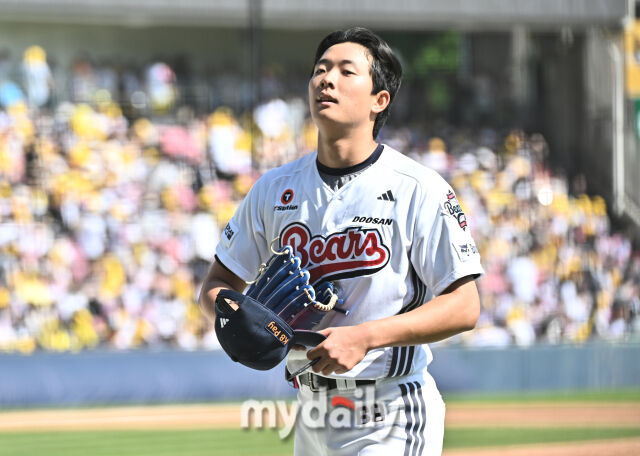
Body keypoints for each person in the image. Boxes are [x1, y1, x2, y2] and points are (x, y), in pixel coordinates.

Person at [199, 27, 484, 456]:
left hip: (389, 411)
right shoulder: (274, 189)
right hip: (311, 411)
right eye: (320, 69)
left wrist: (365, 337)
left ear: (379, 100)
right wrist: (237, 319)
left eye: (345, 71)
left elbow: (464, 306)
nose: (326, 80)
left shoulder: (418, 188)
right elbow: (217, 285)